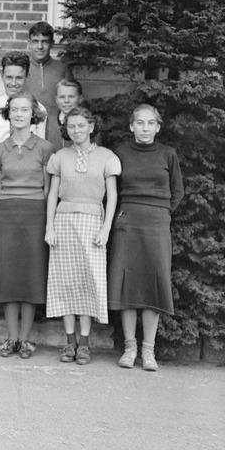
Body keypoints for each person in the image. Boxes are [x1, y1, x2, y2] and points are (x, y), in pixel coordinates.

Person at [108, 104, 183, 371]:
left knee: (154, 281)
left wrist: (161, 212)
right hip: (127, 222)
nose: (145, 128)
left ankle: (148, 351)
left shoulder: (168, 154)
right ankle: (130, 348)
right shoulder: (121, 153)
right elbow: (112, 190)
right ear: (131, 126)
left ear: (158, 127)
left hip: (157, 224)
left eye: (150, 123)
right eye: (140, 123)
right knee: (127, 283)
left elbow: (177, 191)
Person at [45, 107, 121, 365]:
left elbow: (112, 196)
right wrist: (49, 227)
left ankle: (85, 344)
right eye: (71, 126)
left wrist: (106, 228)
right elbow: (53, 195)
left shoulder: (106, 157)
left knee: (89, 282)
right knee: (65, 282)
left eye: (81, 126)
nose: (76, 131)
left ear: (91, 126)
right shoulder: (59, 157)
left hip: (92, 224)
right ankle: (69, 343)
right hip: (64, 221)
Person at [0, 93, 54, 359]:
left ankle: (26, 340)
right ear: (7, 113)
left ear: (33, 114)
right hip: (8, 214)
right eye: (14, 109)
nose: (18, 114)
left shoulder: (45, 148)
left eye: (24, 110)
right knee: (8, 275)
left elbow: (49, 189)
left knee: (30, 275)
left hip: (35, 213)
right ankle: (11, 337)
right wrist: (9, 204)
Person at [0, 52, 48, 146]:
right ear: (2, 76)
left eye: (19, 78)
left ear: (27, 77)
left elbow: (41, 146)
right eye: (9, 77)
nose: (13, 83)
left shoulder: (39, 108)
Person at [48, 78, 83, 150]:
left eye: (71, 96)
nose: (66, 101)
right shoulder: (48, 122)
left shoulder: (88, 123)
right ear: (56, 100)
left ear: (80, 99)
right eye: (62, 97)